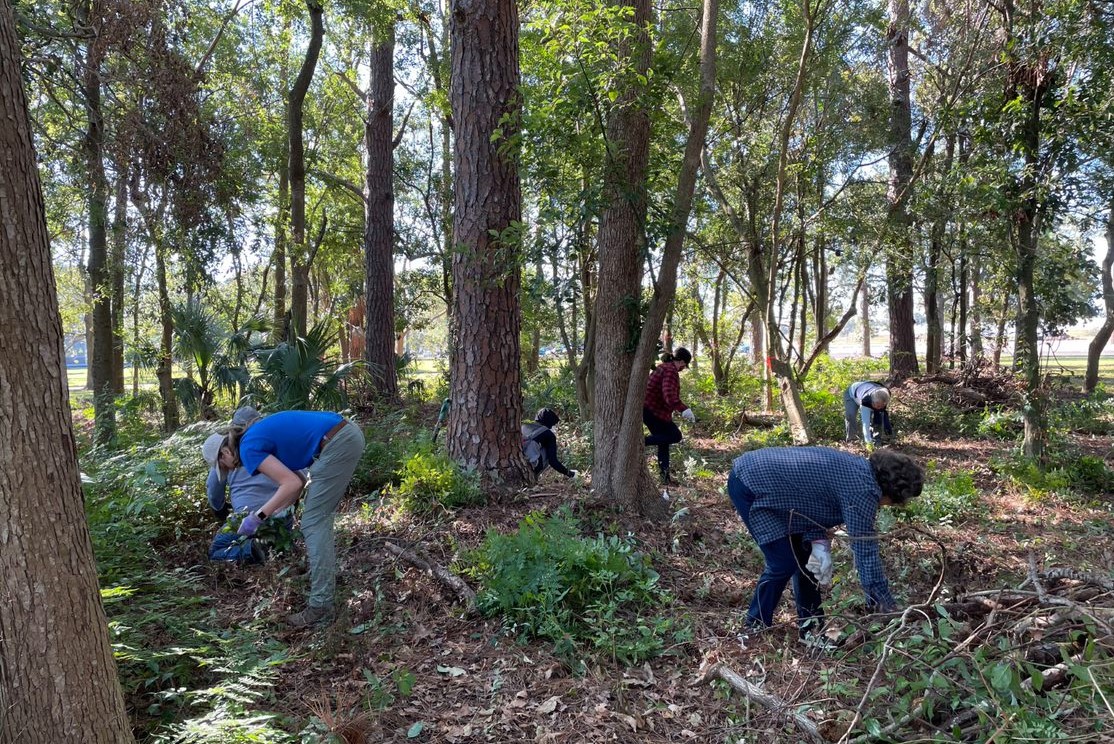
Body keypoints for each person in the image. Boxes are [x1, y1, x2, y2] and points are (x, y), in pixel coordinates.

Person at [726, 447, 923, 643]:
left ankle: (812, 630)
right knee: (783, 562)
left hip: (772, 486)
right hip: (750, 483)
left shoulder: (859, 470)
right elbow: (865, 549)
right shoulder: (864, 490)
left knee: (805, 562)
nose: (888, 505)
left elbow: (813, 501)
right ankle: (753, 627)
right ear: (892, 491)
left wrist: (819, 543)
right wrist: (884, 603)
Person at [221, 410, 365, 628]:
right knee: (317, 519)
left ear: (225, 452)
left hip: (338, 441)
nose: (229, 470)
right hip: (344, 435)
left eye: (224, 466)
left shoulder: (247, 447)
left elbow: (291, 484)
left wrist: (257, 518)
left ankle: (321, 607)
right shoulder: (257, 437)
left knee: (314, 522)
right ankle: (322, 584)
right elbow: (297, 479)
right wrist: (280, 510)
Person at [202, 407, 298, 564]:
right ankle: (273, 547)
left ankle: (252, 548)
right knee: (280, 545)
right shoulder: (275, 443)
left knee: (215, 552)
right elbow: (299, 479)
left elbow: (213, 492)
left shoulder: (230, 449)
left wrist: (221, 511)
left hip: (248, 518)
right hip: (281, 516)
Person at [643, 347, 696, 484]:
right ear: (682, 362)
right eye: (685, 365)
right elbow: (668, 394)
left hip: (652, 410)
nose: (684, 368)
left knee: (664, 441)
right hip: (652, 411)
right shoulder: (670, 370)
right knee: (675, 435)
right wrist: (683, 409)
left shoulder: (664, 367)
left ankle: (665, 478)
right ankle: (641, 442)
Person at [522, 408, 576, 479]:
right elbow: (553, 461)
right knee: (547, 450)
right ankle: (533, 477)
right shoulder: (548, 434)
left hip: (518, 463)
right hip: (531, 466)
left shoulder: (524, 427)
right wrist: (569, 473)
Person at [844, 381, 893, 445]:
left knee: (878, 415)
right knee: (850, 415)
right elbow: (865, 423)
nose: (877, 407)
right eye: (876, 405)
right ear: (872, 401)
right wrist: (868, 442)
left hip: (867, 388)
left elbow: (882, 416)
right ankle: (852, 439)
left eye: (880, 406)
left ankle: (877, 439)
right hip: (852, 393)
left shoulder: (885, 395)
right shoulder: (866, 401)